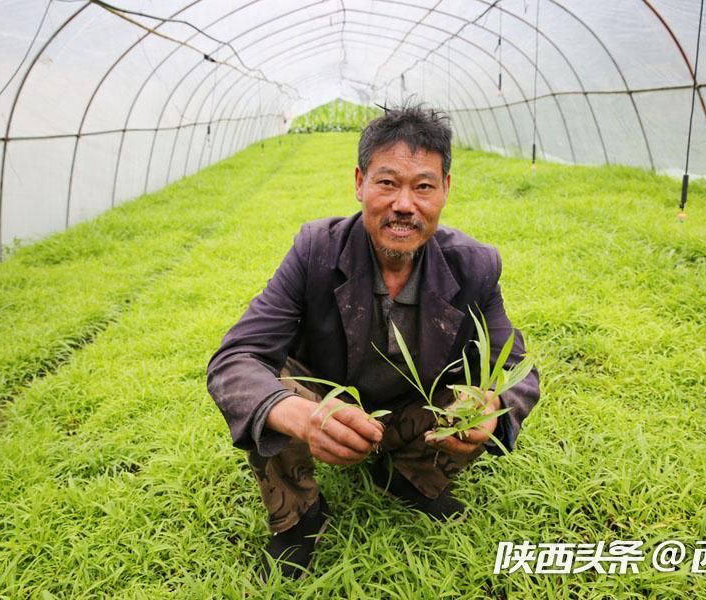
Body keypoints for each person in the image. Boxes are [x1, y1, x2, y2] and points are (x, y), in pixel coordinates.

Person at [206, 104, 540, 580]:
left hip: (413, 404)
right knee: (269, 387)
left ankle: (406, 474)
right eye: (387, 183)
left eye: (423, 186)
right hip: (330, 396)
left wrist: (492, 408)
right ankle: (297, 516)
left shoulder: (475, 266)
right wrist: (299, 414)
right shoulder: (316, 249)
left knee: (475, 388)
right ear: (360, 182)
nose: (405, 204)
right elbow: (236, 358)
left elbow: (515, 368)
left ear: (445, 189)